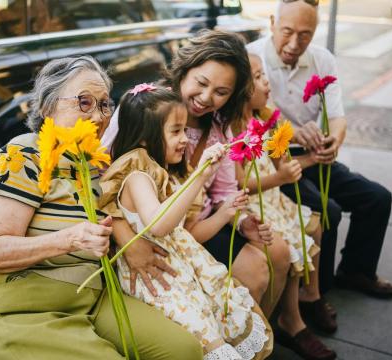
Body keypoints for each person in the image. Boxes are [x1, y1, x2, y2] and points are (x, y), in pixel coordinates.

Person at [0, 56, 203, 360]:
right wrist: (69, 239)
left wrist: (128, 242)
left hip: (91, 299)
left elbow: (109, 213)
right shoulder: (24, 156)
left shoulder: (91, 161)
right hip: (24, 309)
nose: (98, 116)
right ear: (47, 107)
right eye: (84, 102)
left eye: (104, 104)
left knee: (183, 350)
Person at [102, 30, 288, 314]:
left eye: (221, 92)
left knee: (279, 252)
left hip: (199, 223)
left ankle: (281, 325)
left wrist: (240, 222)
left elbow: (224, 191)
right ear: (184, 71)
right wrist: (127, 242)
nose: (205, 98)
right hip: (152, 230)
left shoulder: (219, 127)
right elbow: (100, 179)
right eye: (201, 83)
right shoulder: (145, 109)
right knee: (255, 271)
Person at [100, 84, 273, 359]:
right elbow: (158, 225)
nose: (184, 139)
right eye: (176, 131)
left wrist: (225, 214)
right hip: (158, 283)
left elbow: (183, 233)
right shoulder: (136, 176)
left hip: (180, 273)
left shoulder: (159, 175)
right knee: (202, 338)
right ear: (145, 138)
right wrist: (199, 177)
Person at [247, 0, 392, 302]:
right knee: (327, 211)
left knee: (377, 198)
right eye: (287, 31)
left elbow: (338, 115)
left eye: (305, 34)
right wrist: (291, 132)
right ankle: (317, 293)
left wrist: (334, 142)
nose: (294, 43)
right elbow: (257, 116)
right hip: (276, 162)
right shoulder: (253, 58)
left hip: (314, 153)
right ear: (273, 22)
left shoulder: (322, 59)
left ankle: (356, 271)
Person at [233, 53, 336, 360]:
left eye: (265, 75)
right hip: (256, 202)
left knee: (315, 224)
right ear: (241, 88)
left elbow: (283, 161)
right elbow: (241, 183)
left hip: (274, 197)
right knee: (291, 241)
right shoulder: (235, 129)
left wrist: (308, 160)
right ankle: (291, 320)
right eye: (259, 77)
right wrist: (280, 176)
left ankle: (310, 295)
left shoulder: (265, 117)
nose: (267, 82)